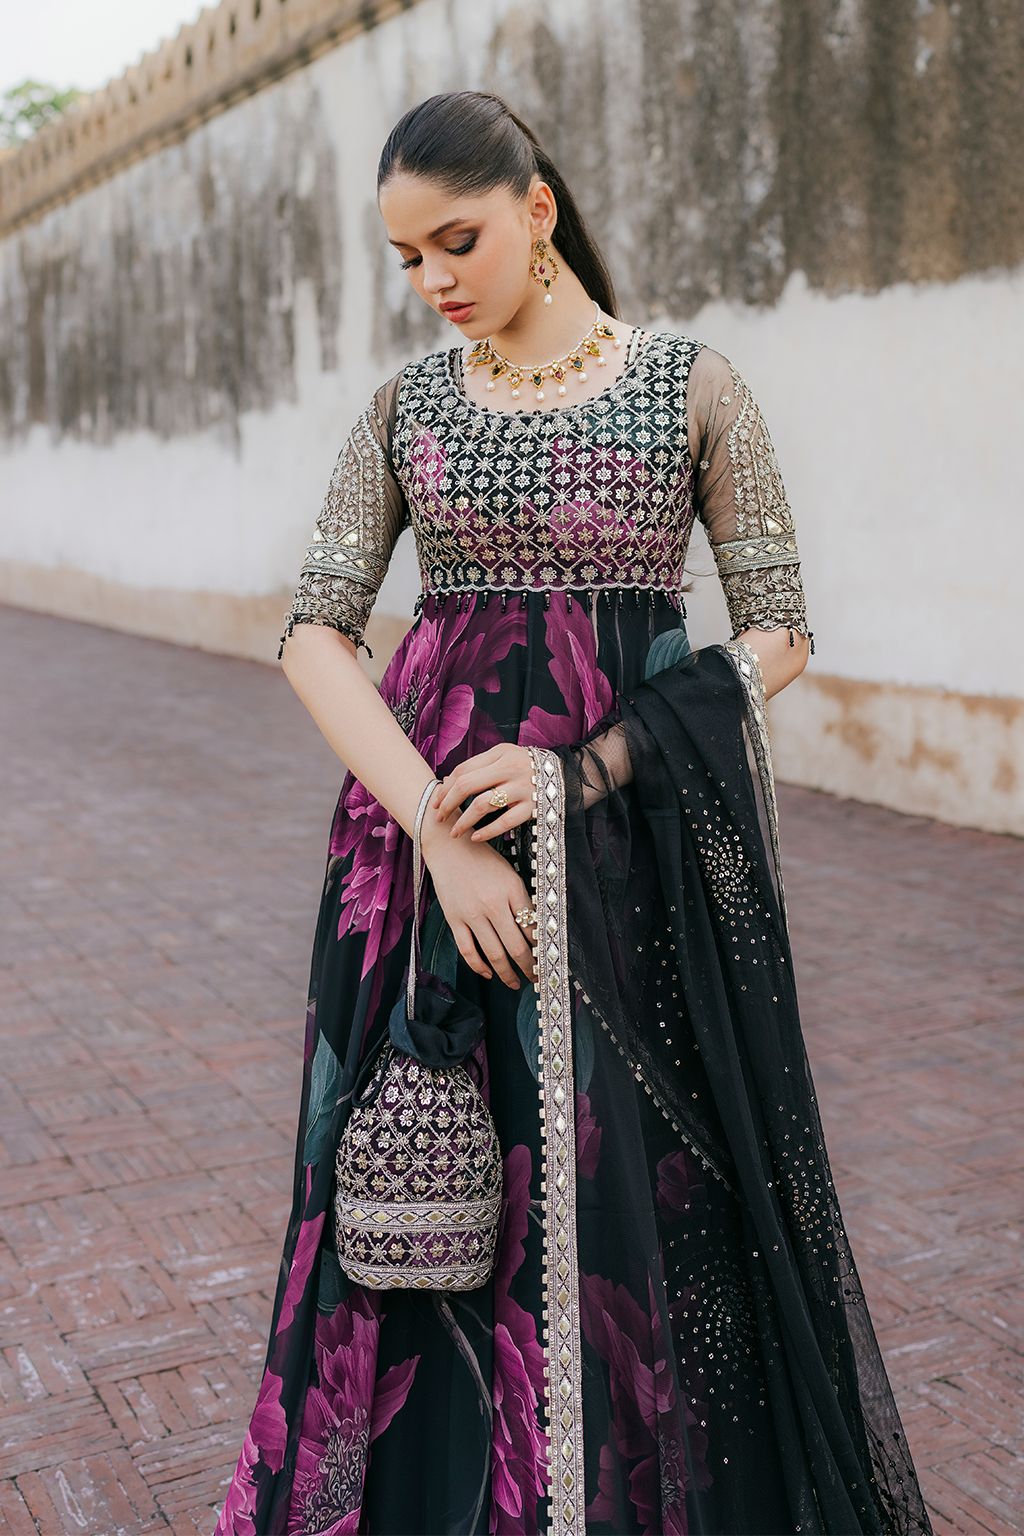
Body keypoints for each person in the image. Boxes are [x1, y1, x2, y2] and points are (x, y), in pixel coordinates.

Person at [214, 90, 933, 1536]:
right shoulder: (408, 410)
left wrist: (585, 772)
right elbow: (313, 636)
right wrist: (438, 830)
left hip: (630, 851)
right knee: (421, 1180)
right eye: (408, 259)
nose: (435, 280)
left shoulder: (691, 388)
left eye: (457, 241)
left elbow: (780, 631)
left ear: (536, 209)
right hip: (430, 868)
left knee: (640, 1188)